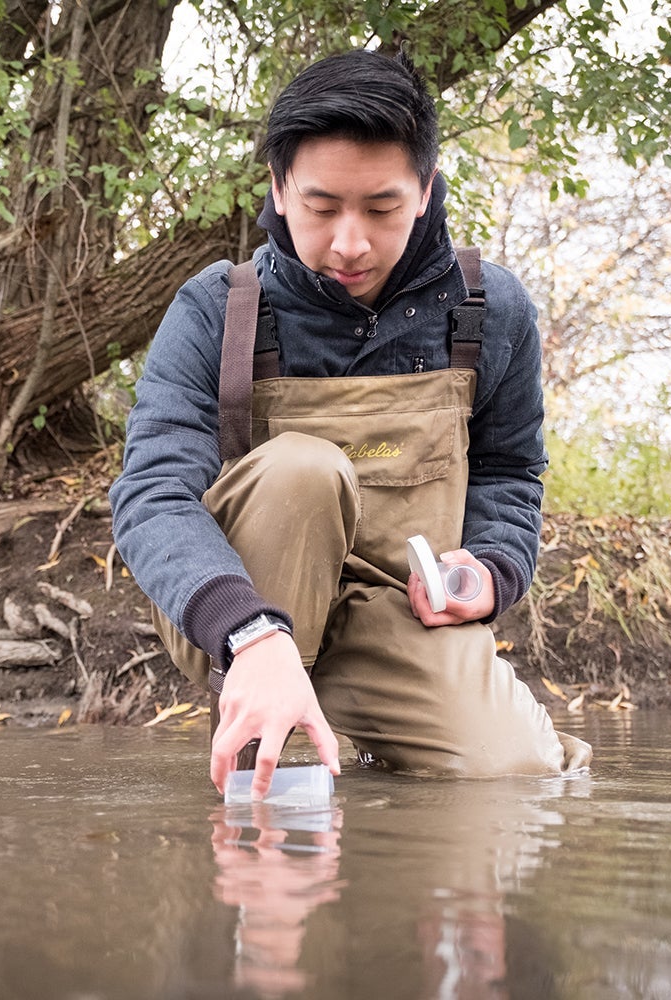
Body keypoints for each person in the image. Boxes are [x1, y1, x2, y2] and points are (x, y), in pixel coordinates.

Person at [109, 48, 591, 798]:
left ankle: (351, 732)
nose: (350, 243)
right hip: (235, 610)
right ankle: (269, 725)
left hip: (397, 612)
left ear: (426, 190)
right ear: (278, 187)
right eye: (322, 207)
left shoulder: (493, 313)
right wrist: (249, 631)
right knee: (304, 467)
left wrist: (490, 570)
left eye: (381, 208)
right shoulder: (214, 311)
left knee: (517, 777)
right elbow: (152, 495)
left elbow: (509, 472)